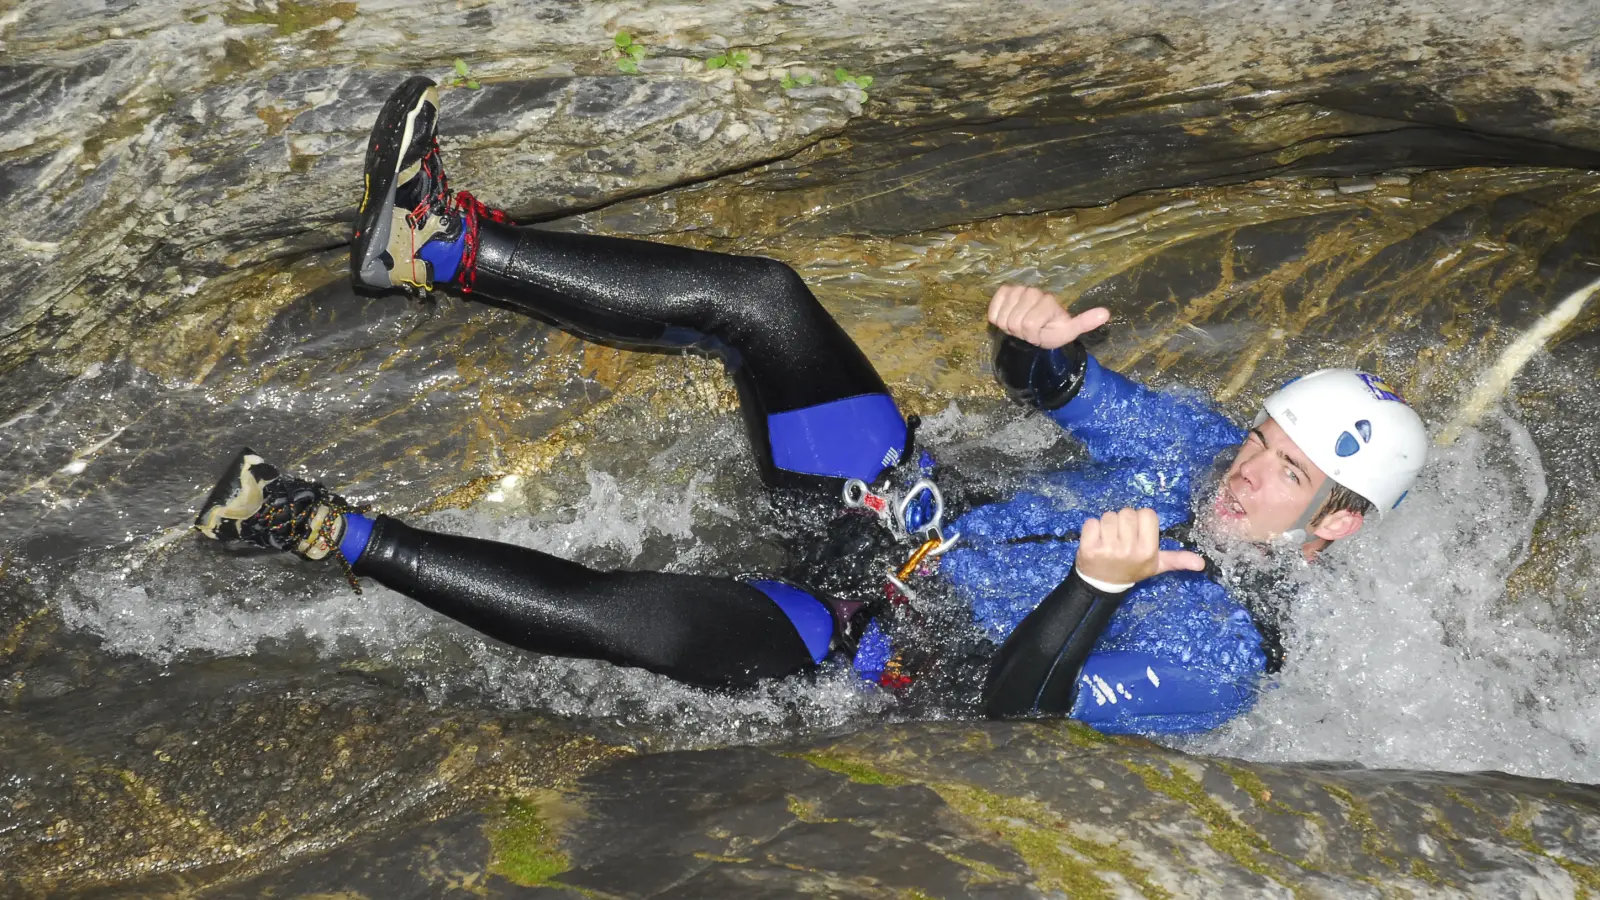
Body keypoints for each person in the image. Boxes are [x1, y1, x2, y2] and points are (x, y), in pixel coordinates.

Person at [193, 77, 1429, 734]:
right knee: (771, 304)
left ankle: (311, 527)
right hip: (889, 509)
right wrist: (1031, 352)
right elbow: (1071, 393)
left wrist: (1092, 594)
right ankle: (433, 244)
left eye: (1283, 474)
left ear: (1336, 528)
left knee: (624, 614)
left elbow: (1018, 713)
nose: (1244, 470)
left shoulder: (1225, 660)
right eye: (1262, 439)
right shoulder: (1203, 453)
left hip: (863, 647)